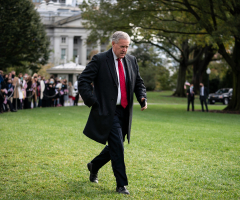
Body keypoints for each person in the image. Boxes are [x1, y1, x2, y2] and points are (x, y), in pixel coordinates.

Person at [78, 31, 147, 195]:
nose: (125, 50)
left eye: (127, 47)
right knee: (118, 146)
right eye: (122, 46)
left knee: (116, 145)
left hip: (125, 111)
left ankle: (94, 165)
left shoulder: (131, 60)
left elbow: (138, 82)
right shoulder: (100, 59)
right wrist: (92, 101)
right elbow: (83, 80)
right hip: (108, 111)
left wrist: (142, 97)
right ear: (113, 44)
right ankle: (121, 184)